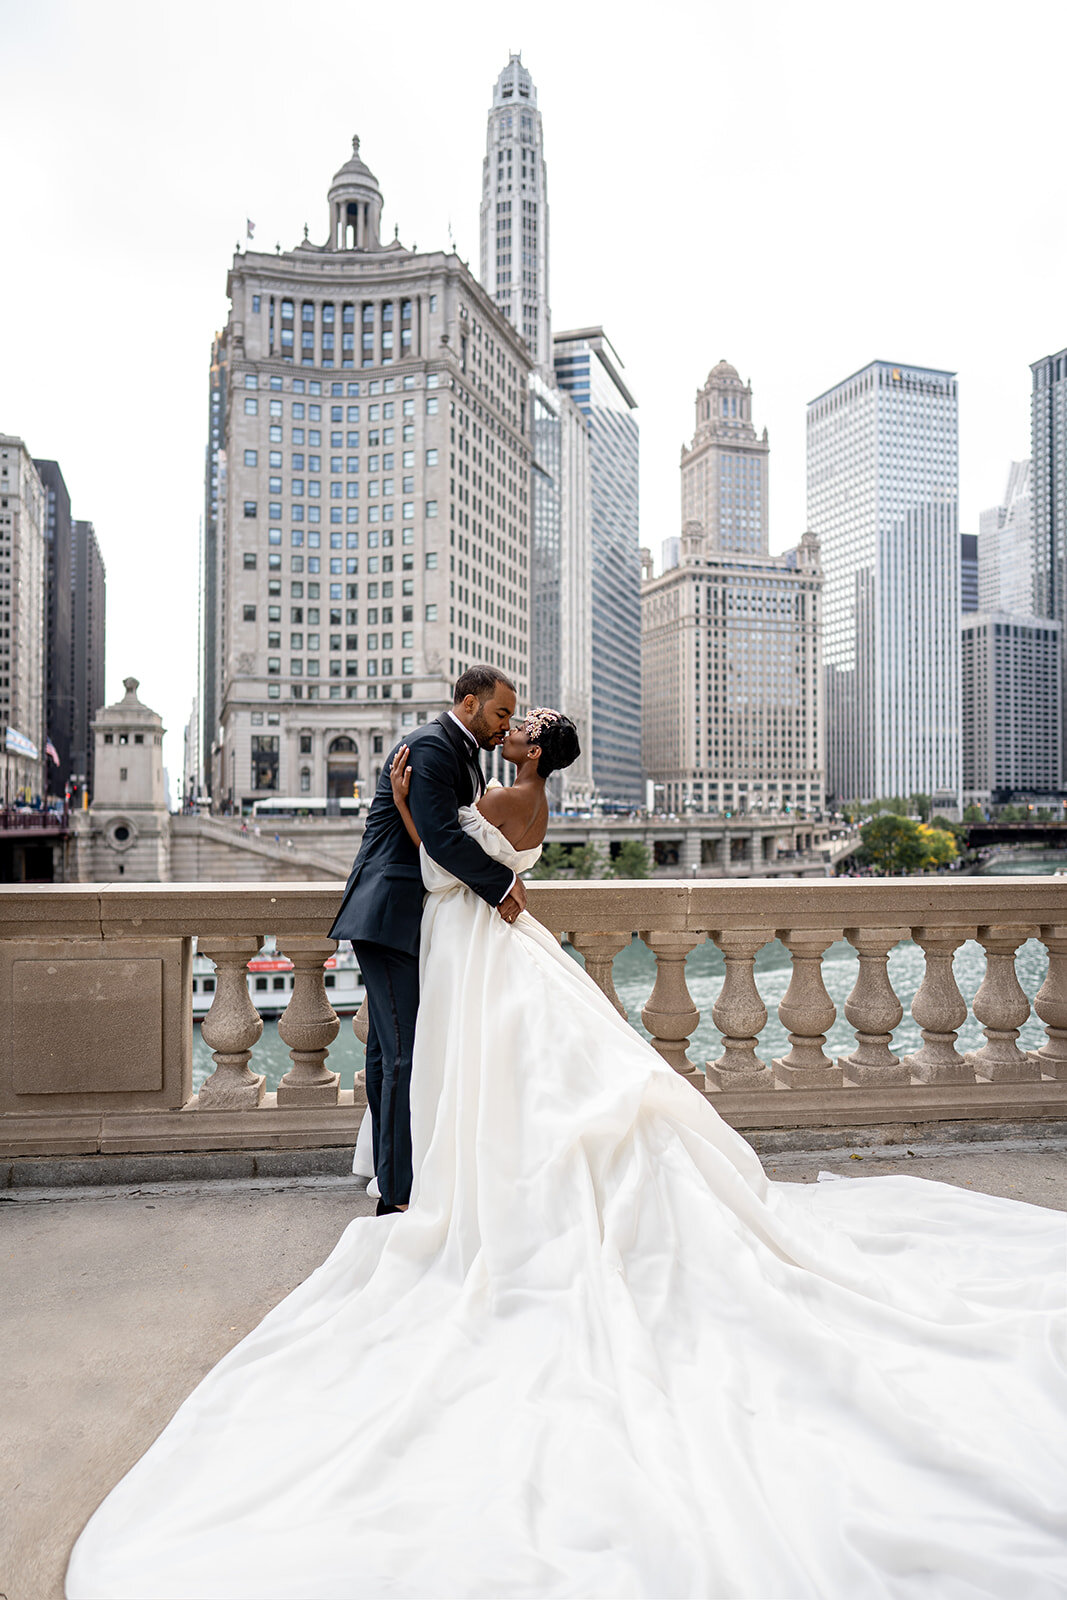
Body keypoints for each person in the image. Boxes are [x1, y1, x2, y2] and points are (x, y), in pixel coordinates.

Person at [66, 708, 1067, 1599]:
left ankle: (487, 1193)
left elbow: (452, 867)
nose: (514, 723)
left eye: (525, 722)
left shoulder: (508, 789)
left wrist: (406, 809)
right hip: (492, 945)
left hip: (483, 943)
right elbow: (488, 869)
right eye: (514, 715)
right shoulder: (521, 788)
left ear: (533, 748)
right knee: (517, 1079)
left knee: (506, 1078)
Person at [327, 666, 525, 1213]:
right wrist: (503, 883)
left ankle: (389, 1174)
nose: (505, 727)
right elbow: (439, 840)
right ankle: (396, 1196)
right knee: (403, 1055)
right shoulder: (432, 749)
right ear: (468, 704)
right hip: (388, 915)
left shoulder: (460, 753)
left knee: (384, 1050)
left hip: (410, 916)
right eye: (500, 713)